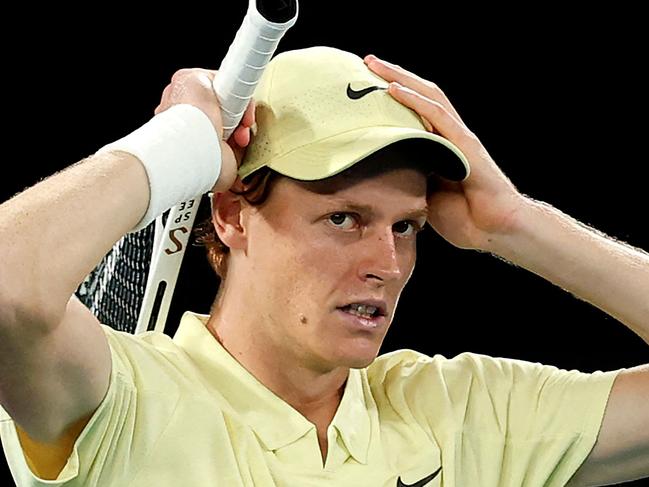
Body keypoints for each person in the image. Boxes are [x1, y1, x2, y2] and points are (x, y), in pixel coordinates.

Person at [0, 45, 647, 486]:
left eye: (406, 226)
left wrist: (515, 222)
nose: (386, 263)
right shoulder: (116, 396)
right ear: (230, 212)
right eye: (344, 218)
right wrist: (176, 145)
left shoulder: (462, 412)